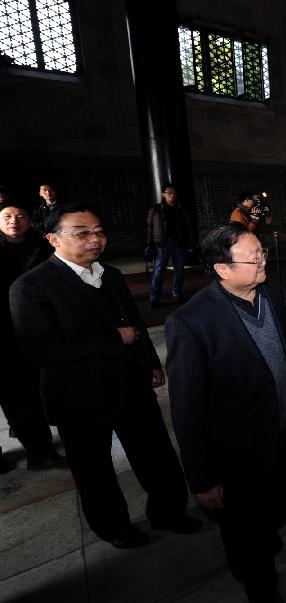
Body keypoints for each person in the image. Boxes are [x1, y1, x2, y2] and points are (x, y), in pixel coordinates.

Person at [9, 204, 200, 548]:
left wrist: (150, 362)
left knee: (156, 454)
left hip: (130, 384)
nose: (94, 239)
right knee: (94, 470)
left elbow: (134, 323)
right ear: (53, 239)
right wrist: (114, 339)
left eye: (99, 231)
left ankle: (169, 512)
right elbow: (43, 348)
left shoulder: (110, 274)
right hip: (79, 395)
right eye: (81, 233)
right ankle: (113, 527)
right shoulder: (30, 287)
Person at [165, 222, 286, 602]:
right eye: (254, 257)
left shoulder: (273, 291)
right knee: (245, 535)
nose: (264, 261)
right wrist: (201, 476)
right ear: (222, 268)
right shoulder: (190, 323)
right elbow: (187, 408)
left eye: (262, 252)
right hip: (239, 452)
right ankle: (257, 580)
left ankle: (263, 531)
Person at [0, 199, 67, 471]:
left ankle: (46, 440)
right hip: (5, 336)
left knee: (48, 389)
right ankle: (39, 453)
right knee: (19, 397)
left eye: (20, 215)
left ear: (29, 219)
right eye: (7, 216)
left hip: (42, 329)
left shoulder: (43, 247)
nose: (14, 221)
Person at [147, 183, 194, 308]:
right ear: (163, 194)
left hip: (179, 243)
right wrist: (149, 244)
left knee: (179, 271)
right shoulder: (156, 209)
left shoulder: (182, 208)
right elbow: (150, 228)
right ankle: (154, 297)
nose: (172, 195)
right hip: (162, 243)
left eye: (174, 193)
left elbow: (189, 227)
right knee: (158, 272)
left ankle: (177, 294)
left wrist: (190, 243)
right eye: (169, 193)